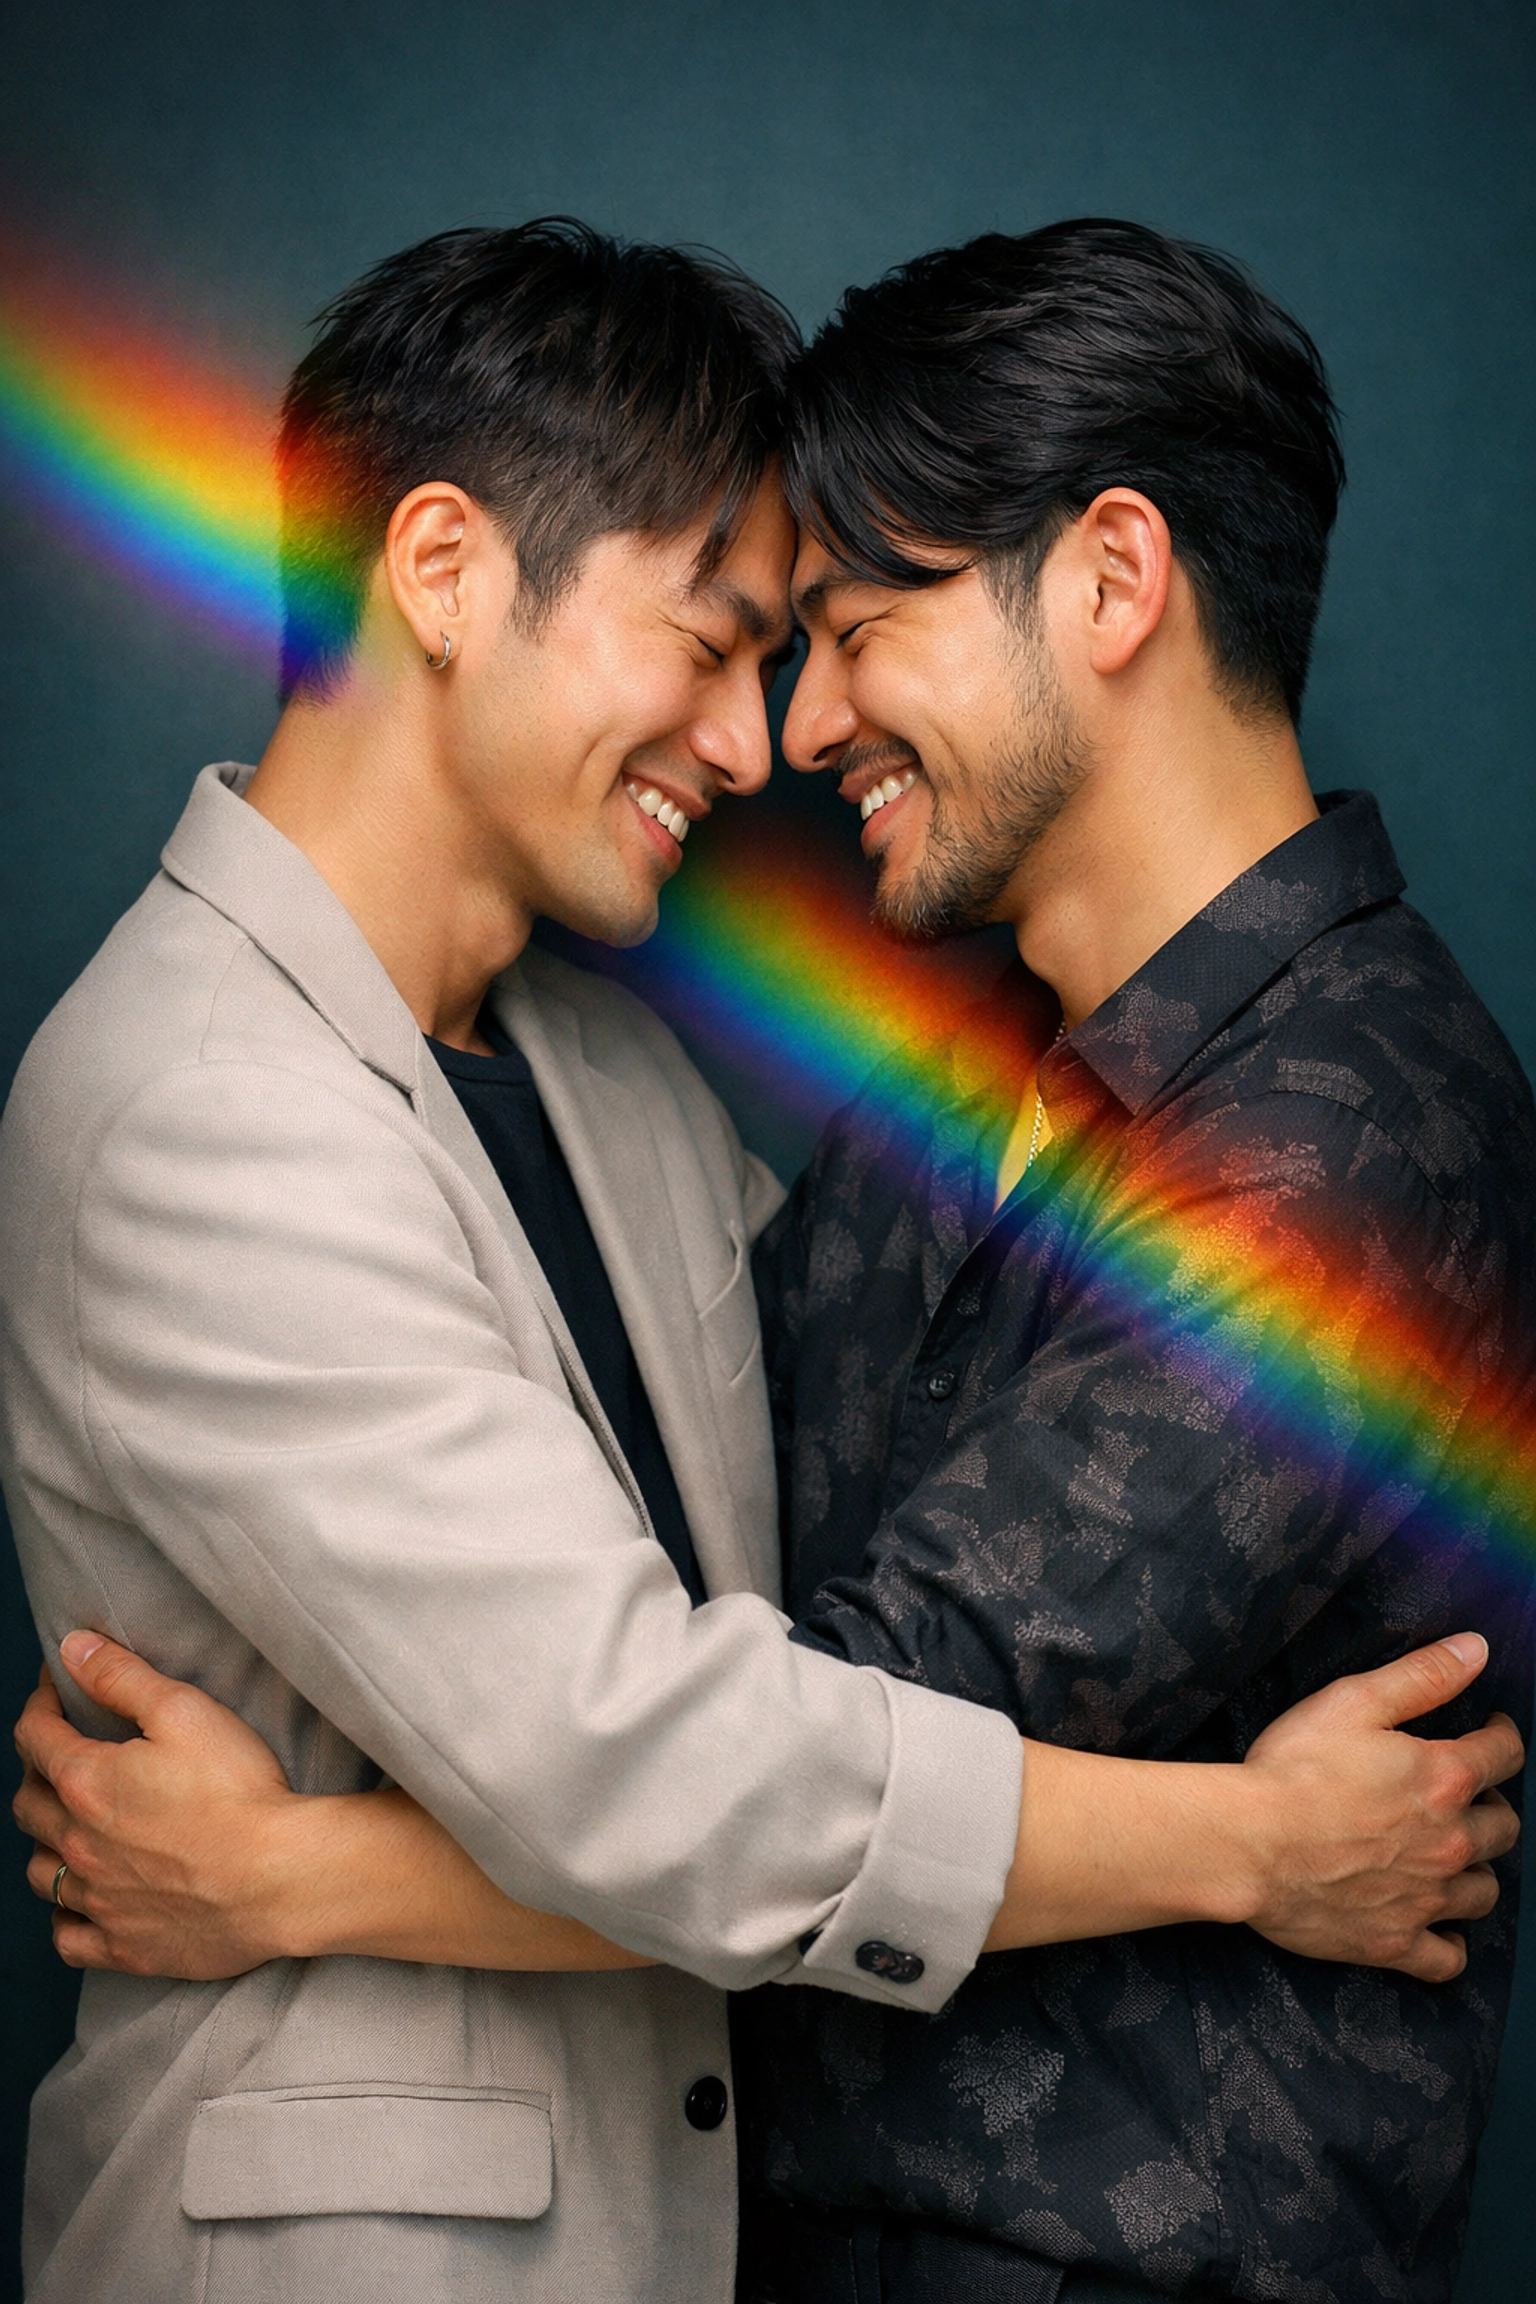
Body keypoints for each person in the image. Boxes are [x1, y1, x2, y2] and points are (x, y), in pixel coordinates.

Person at [5, 218, 1526, 2304]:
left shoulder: (647, 1078)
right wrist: (1248, 1845)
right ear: (441, 571)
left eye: (819, 635)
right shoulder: (201, 1104)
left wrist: (292, 1872)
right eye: (719, 641)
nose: (768, 741)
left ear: (1113, 581)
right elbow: (701, 1746)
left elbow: (781, 1687)